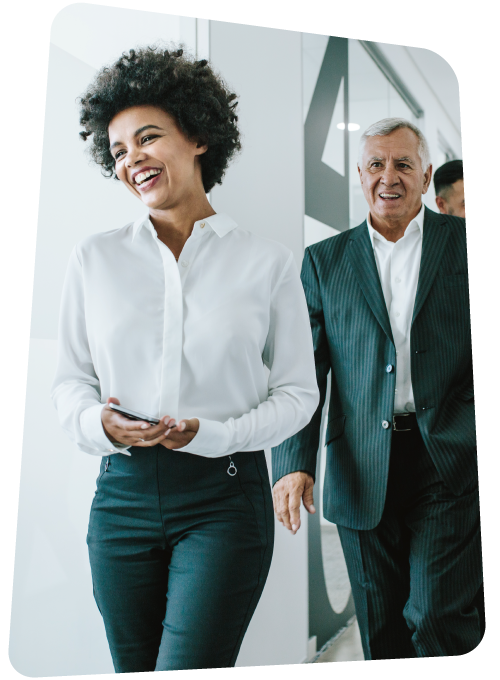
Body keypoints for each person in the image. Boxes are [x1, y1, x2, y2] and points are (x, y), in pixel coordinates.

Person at [51, 45, 319, 671]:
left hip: (223, 500)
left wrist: (216, 433)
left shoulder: (268, 263)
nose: (132, 158)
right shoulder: (94, 260)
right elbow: (69, 383)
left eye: (148, 137)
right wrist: (99, 424)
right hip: (120, 499)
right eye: (118, 150)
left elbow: (298, 396)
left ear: (197, 136)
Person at [272, 118, 481, 659]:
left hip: (449, 458)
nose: (389, 175)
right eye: (375, 164)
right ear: (360, 176)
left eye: (404, 164)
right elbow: (304, 368)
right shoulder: (325, 261)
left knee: (436, 616)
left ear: (425, 173)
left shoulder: (460, 244)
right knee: (383, 628)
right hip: (361, 465)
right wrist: (294, 461)